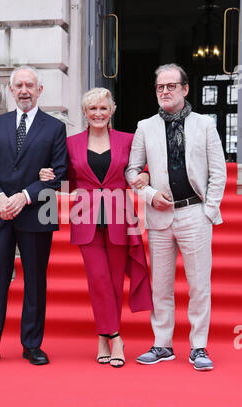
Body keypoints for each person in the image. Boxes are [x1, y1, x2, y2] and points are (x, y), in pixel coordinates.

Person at [0, 66, 68, 367]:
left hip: (36, 213)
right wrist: (0, 199)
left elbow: (58, 173)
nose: (24, 90)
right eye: (19, 85)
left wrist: (24, 197)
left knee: (35, 281)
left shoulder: (54, 128)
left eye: (30, 85)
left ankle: (32, 344)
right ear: (12, 90)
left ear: (39, 90)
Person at [39, 87, 153, 368]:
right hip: (85, 217)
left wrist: (145, 176)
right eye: (93, 109)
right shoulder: (72, 143)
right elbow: (66, 181)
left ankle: (104, 337)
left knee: (114, 282)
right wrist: (49, 179)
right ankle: (115, 336)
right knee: (98, 280)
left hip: (119, 215)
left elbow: (144, 168)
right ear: (85, 113)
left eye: (103, 108)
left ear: (111, 110)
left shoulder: (128, 140)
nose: (98, 114)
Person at [125, 63, 226, 371]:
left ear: (184, 89)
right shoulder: (144, 127)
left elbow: (218, 173)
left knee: (198, 285)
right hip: (159, 217)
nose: (165, 92)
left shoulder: (205, 125)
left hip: (194, 212)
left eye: (171, 86)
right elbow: (131, 171)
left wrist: (208, 211)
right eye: (160, 87)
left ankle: (198, 347)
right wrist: (149, 195)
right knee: (161, 285)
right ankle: (162, 344)